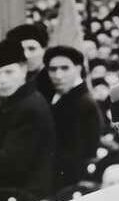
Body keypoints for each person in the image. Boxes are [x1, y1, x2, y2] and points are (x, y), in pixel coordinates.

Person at [0, 39, 55, 199]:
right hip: (7, 180)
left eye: (9, 72)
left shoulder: (30, 107)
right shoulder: (6, 99)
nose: (2, 80)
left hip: (25, 190)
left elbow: (11, 163)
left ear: (24, 69)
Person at [44, 45, 102, 190]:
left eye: (65, 68)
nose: (58, 75)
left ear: (78, 68)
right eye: (53, 69)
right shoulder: (58, 95)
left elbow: (78, 153)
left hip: (68, 182)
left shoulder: (83, 103)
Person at [6, 22, 51, 99]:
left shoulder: (55, 80)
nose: (26, 55)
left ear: (44, 50)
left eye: (32, 49)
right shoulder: (12, 80)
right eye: (21, 50)